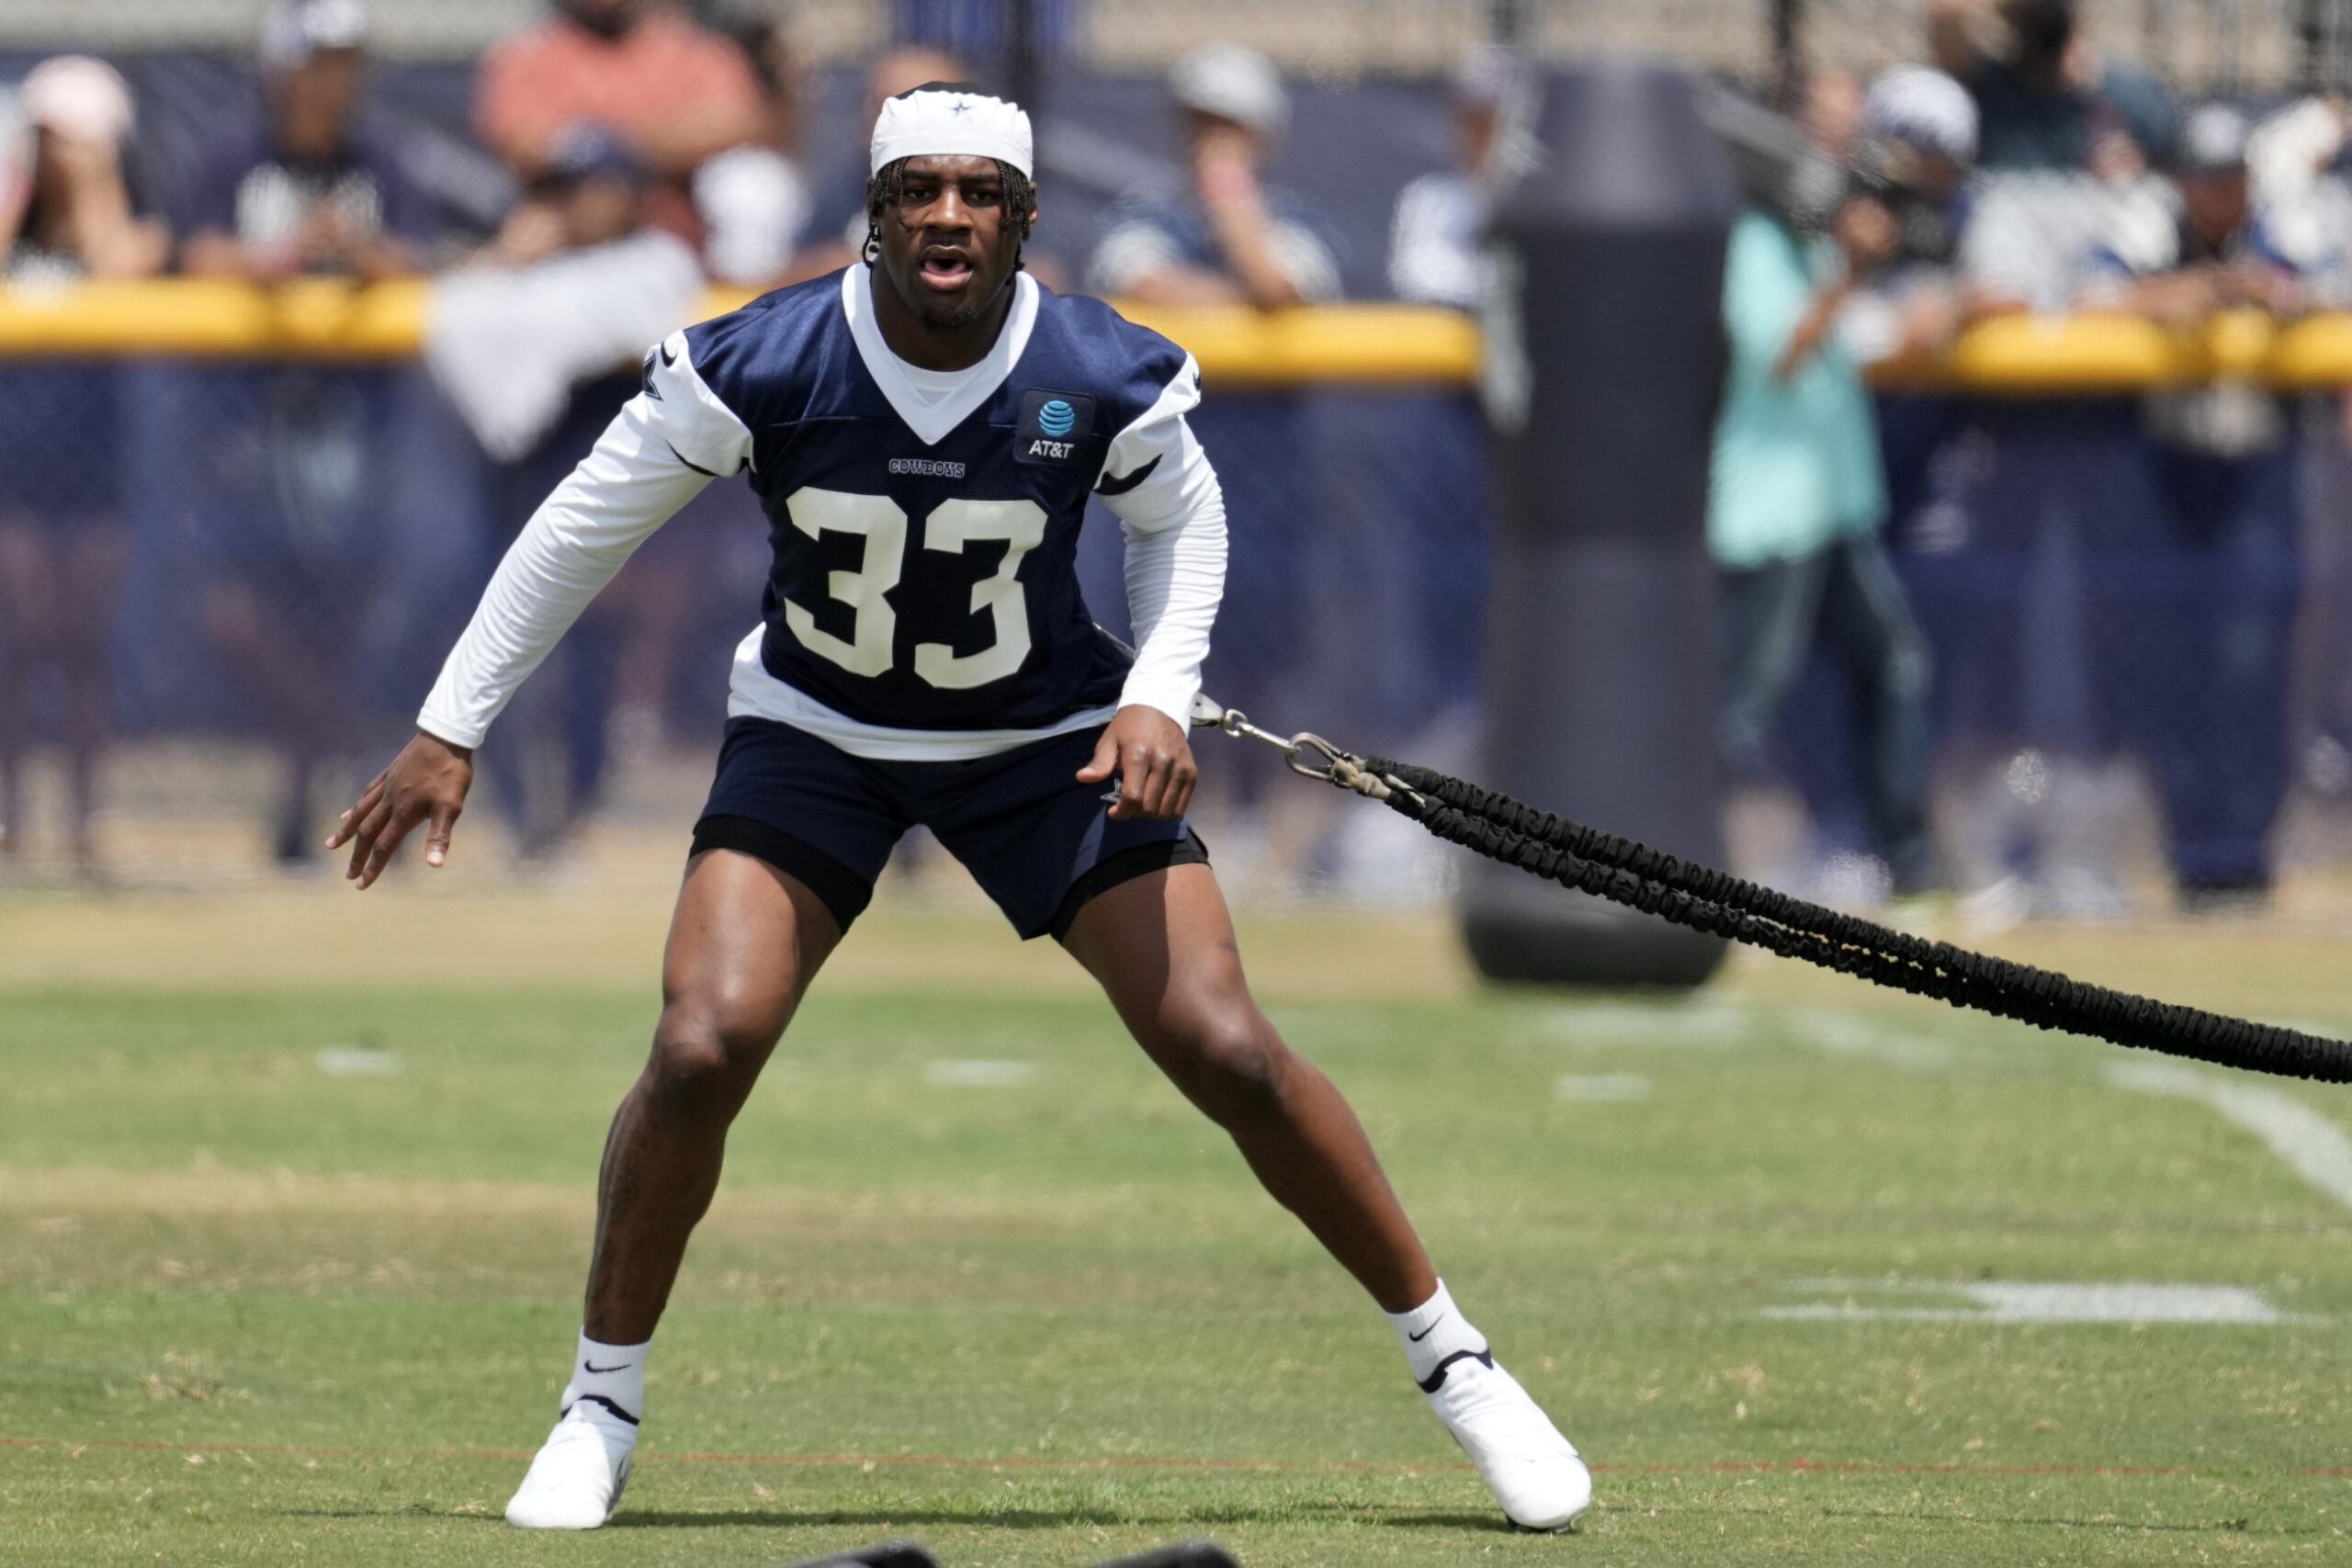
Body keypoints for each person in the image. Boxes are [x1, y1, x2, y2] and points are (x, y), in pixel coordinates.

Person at [329, 85, 1592, 1536]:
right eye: (917, 189)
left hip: (1040, 735)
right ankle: (599, 1404)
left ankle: (1460, 1362)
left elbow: (1186, 517)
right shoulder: (770, 355)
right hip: (823, 731)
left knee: (1225, 1043)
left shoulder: (1092, 365)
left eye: (979, 192)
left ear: (1025, 215)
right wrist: (448, 724)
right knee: (699, 1040)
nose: (946, 215)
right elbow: (578, 523)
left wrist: (1160, 694)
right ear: (874, 212)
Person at [177, 0, 439, 863]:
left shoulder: (381, 161)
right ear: (283, 70)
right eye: (321, 61)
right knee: (247, 617)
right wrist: (284, 255)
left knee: (350, 622)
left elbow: (421, 262)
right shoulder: (236, 158)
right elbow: (192, 258)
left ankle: (331, 792)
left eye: (348, 61)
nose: (336, 80)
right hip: (249, 433)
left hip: (358, 432)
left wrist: (357, 253)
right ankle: (317, 761)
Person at [1711, 75, 1939, 902]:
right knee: (1742, 707)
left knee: (1893, 666)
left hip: (1833, 508)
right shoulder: (1756, 239)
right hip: (1772, 512)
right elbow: (1781, 352)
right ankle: (1690, 862)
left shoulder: (1810, 237)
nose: (1844, 150)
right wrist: (1850, 270)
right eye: (1830, 132)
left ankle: (1905, 863)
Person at [2075, 104, 2308, 908]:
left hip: (2256, 473)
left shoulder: (2283, 222)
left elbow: (2314, 285)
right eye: (2208, 177)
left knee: (2250, 666)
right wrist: (2189, 290)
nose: (2223, 193)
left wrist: (2265, 290)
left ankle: (2242, 850)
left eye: (2233, 177)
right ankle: (2191, 848)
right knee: (2170, 666)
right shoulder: (2150, 221)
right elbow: (2092, 296)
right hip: (2166, 475)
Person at [0, 58, 166, 870]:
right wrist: (18, 181)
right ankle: (8, 814)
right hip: (11, 469)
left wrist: (94, 180)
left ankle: (82, 818)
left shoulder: (136, 216)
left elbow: (121, 269)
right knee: (14, 640)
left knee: (83, 645)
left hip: (98, 468)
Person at [472, 0, 767, 243]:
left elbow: (735, 125)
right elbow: (521, 141)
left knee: (750, 182)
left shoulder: (696, 49)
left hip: (678, 234)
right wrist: (598, 154)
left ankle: (749, 295)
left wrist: (614, 142)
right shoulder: (528, 54)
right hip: (566, 231)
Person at [1087, 41, 1344, 308]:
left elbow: (1277, 292)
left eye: (1229, 127)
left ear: (1262, 138)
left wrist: (1230, 199)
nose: (1211, 141)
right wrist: (1253, 308)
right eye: (1200, 124)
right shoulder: (1146, 214)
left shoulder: (1302, 221)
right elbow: (1147, 289)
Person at [1386, 46, 1532, 309]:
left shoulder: (1548, 201)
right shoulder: (1429, 199)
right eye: (1466, 119)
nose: (1472, 134)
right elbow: (1420, 278)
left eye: (1489, 120)